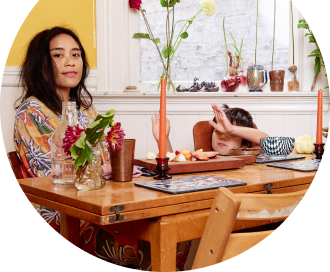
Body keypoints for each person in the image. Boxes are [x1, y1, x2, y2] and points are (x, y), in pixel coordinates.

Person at [13, 27, 152, 270]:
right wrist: (102, 165)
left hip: (100, 203)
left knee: (163, 227)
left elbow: (105, 157)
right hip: (63, 214)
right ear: (41, 64)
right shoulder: (31, 113)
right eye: (58, 55)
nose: (70, 61)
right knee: (145, 240)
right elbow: (59, 176)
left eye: (76, 54)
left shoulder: (85, 108)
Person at [151, 103, 269, 154]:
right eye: (218, 131)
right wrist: (163, 138)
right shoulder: (202, 160)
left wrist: (231, 129)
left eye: (231, 134)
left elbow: (267, 141)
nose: (223, 136)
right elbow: (172, 165)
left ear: (245, 144)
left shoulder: (250, 154)